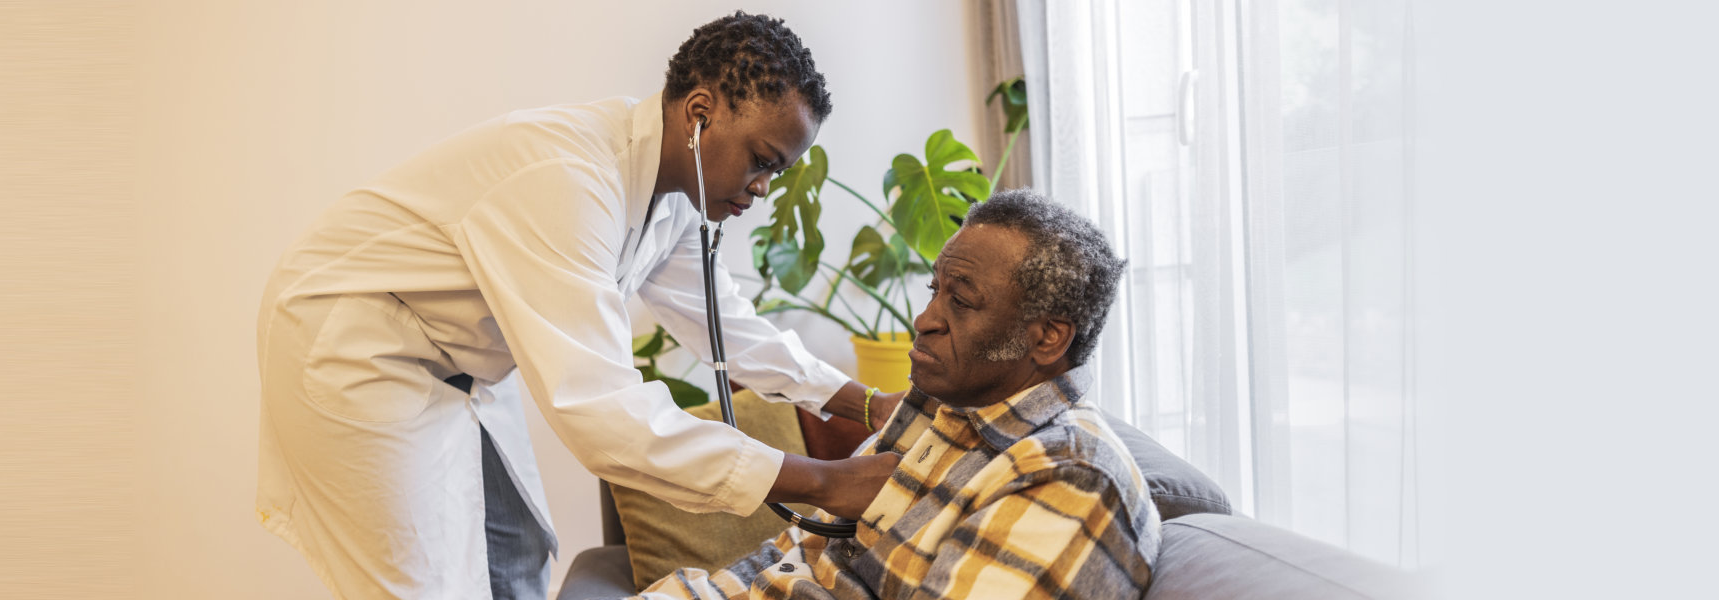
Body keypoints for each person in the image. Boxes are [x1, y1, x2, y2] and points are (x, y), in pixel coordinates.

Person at [254, 12, 902, 600]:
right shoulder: (567, 179)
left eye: (777, 171)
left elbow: (726, 327)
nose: (762, 188)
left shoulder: (673, 192)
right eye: (762, 160)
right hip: (357, 347)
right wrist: (821, 481)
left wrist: (864, 403)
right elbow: (607, 418)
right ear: (699, 112)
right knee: (419, 586)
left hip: (460, 358)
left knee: (516, 554)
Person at [631, 189, 1162, 600]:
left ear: (1047, 337)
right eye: (935, 290)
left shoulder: (1070, 478)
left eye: (962, 300)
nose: (925, 319)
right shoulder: (944, 410)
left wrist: (814, 479)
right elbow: (794, 556)